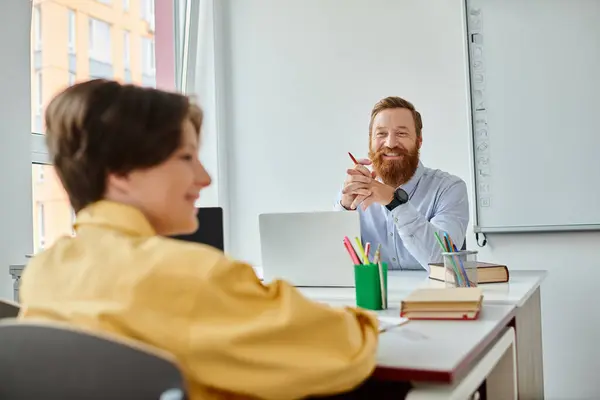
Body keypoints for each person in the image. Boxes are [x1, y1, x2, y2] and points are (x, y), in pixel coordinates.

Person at [18, 80, 380, 400]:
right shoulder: (190, 275)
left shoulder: (43, 273)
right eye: (186, 157)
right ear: (121, 174)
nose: (204, 177)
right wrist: (360, 322)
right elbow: (343, 350)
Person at [336, 96, 469, 271]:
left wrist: (395, 202)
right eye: (381, 134)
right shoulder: (352, 191)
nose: (390, 143)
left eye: (401, 133)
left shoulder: (449, 189)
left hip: (433, 297)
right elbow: (334, 267)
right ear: (370, 141)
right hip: (374, 297)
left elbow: (443, 263)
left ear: (419, 141)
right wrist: (344, 210)